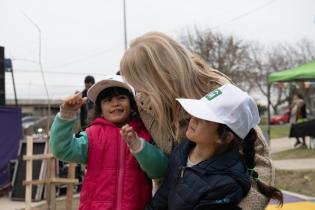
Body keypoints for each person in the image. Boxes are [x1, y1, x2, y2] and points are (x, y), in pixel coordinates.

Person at [120, 32, 275, 210]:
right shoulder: (144, 102)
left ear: (162, 76)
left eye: (142, 84)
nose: (140, 92)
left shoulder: (216, 90)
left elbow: (260, 160)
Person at [122, 84, 283, 210]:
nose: (193, 119)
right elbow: (165, 195)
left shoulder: (226, 184)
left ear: (226, 136)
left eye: (204, 118)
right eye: (196, 112)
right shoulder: (183, 150)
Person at [50, 75, 157, 210]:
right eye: (108, 100)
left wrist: (139, 146)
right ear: (100, 109)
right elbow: (61, 149)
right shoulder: (91, 136)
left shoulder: (144, 135)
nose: (115, 103)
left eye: (121, 98)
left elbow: (158, 171)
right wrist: (66, 115)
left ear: (132, 105)